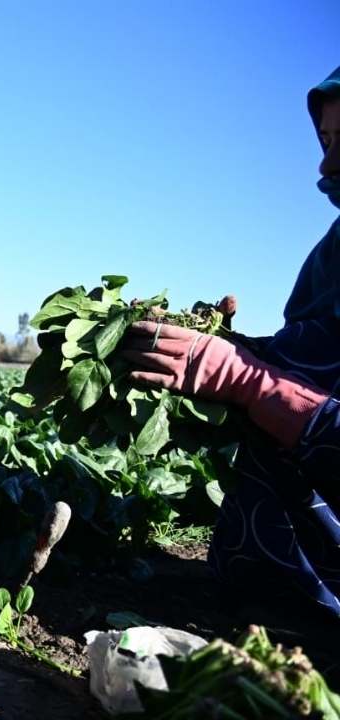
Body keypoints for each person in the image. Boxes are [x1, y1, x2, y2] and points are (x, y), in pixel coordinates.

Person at [120, 66, 340, 619]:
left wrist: (246, 378)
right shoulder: (333, 254)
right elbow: (312, 360)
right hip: (275, 567)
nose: (327, 165)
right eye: (327, 141)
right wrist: (224, 345)